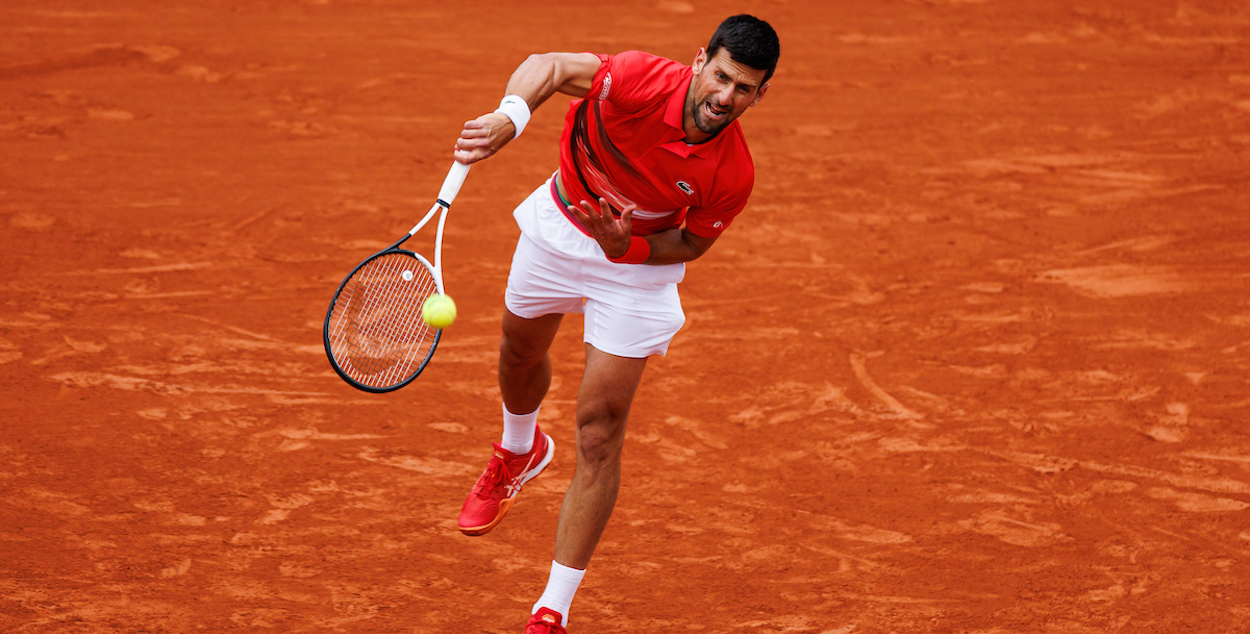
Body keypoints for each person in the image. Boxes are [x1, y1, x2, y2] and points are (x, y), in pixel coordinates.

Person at [450, 14, 780, 633]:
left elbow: (690, 245)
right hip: (558, 226)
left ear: (762, 94)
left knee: (600, 431)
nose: (726, 98)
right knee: (518, 354)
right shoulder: (634, 78)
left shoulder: (733, 174)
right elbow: (548, 65)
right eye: (722, 77)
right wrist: (510, 118)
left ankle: (552, 608)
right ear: (700, 59)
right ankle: (518, 451)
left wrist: (624, 249)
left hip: (634, 265)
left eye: (745, 89)